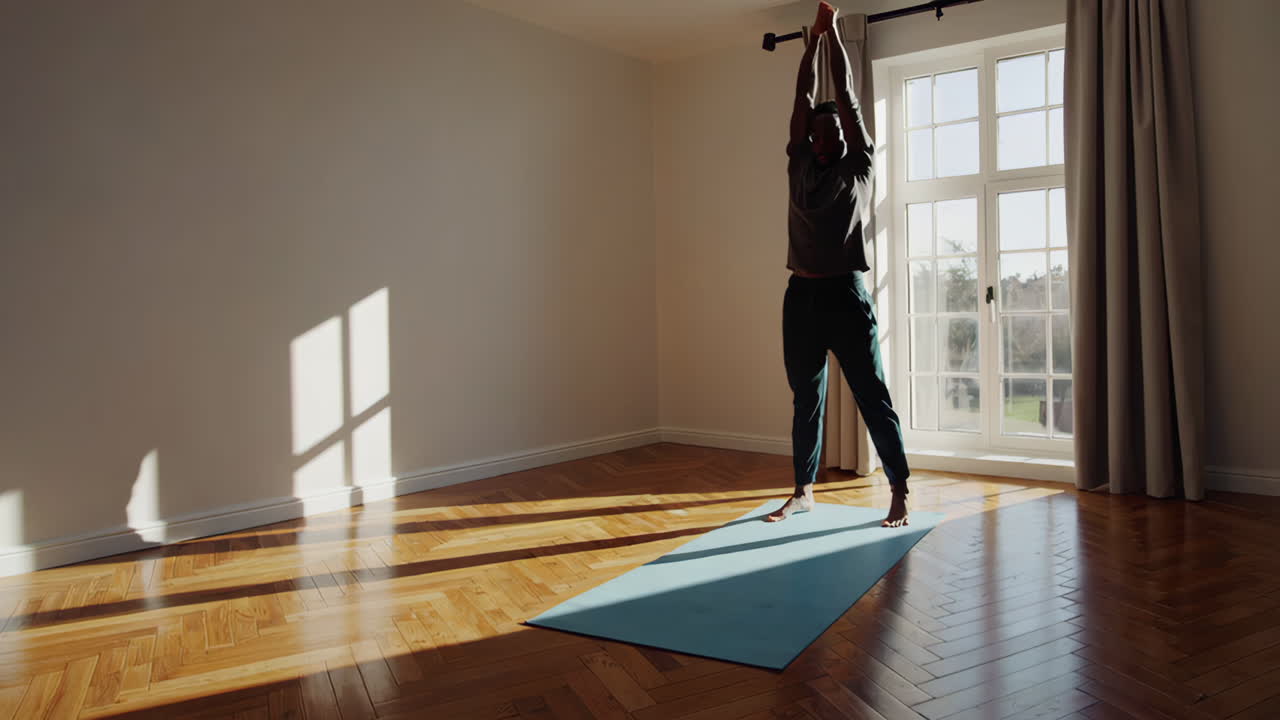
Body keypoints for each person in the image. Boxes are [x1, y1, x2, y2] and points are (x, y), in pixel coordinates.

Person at [766, 1, 910, 528]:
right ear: (809, 139)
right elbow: (803, 96)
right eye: (819, 133)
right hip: (800, 298)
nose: (828, 138)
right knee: (806, 398)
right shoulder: (798, 162)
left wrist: (833, 37)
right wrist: (810, 45)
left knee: (872, 395)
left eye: (836, 134)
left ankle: (898, 488)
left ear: (847, 139)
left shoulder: (860, 166)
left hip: (847, 297)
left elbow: (845, 97)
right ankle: (802, 490)